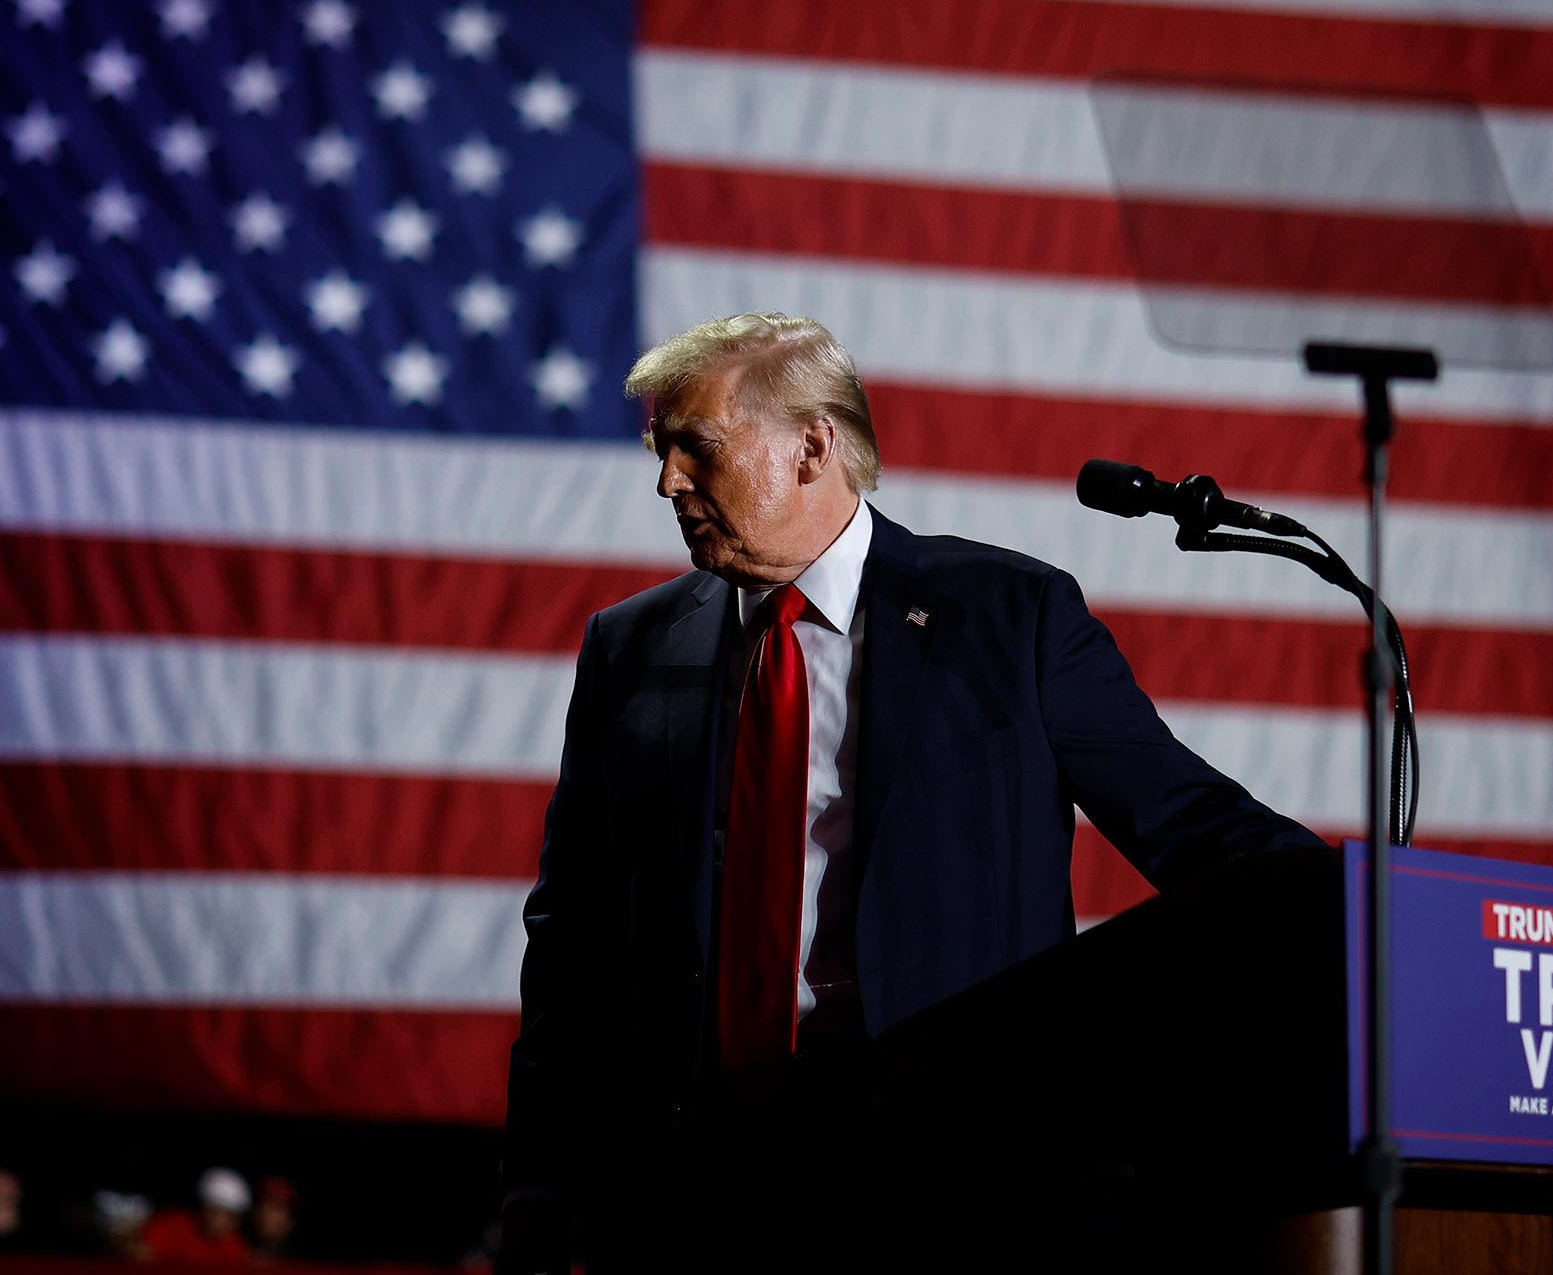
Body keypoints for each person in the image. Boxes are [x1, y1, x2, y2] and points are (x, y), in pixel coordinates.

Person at [499, 314, 1322, 1273]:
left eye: (698, 447)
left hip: (947, 1176)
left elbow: (1192, 825)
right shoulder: (629, 648)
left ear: (813, 446)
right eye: (662, 450)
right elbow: (573, 940)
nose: (668, 480)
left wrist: (1367, 912)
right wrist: (536, 1182)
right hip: (686, 1185)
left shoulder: (1009, 618)